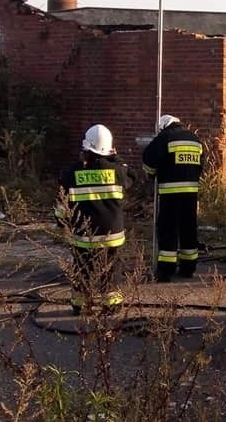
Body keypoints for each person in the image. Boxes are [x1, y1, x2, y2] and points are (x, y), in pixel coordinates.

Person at [57, 124, 132, 315]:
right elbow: (131, 175)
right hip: (111, 235)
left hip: (83, 235)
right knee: (110, 269)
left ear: (85, 149)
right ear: (109, 149)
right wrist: (115, 157)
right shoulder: (118, 172)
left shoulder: (71, 173)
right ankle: (111, 303)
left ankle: (80, 303)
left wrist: (62, 223)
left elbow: (61, 205)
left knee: (82, 268)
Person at [142, 114, 204, 282]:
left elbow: (148, 161)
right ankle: (188, 267)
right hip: (191, 193)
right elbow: (201, 166)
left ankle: (165, 271)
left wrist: (152, 174)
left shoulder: (165, 137)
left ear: (164, 126)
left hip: (170, 194)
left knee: (168, 230)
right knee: (188, 229)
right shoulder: (195, 139)